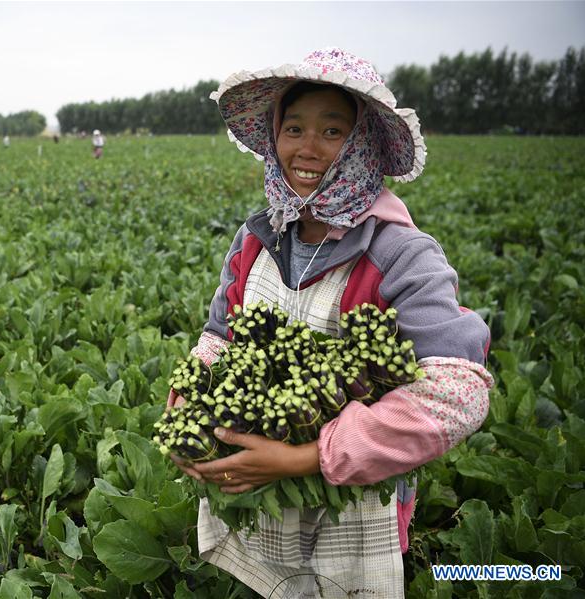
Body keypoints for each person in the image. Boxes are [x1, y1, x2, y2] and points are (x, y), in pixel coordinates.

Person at [167, 48, 493, 598]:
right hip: (255, 492)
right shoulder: (257, 239)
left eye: (332, 131)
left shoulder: (403, 255)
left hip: (354, 505)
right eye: (293, 128)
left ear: (362, 144)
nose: (307, 148)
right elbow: (219, 337)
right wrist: (186, 405)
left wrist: (304, 457)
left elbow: (457, 393)